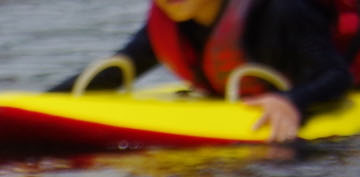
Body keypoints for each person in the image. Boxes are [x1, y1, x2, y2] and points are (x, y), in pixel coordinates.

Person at [53, 0, 355, 143]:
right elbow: (112, 74)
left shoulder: (284, 10)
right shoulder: (167, 23)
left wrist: (291, 101)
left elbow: (336, 76)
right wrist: (31, 106)